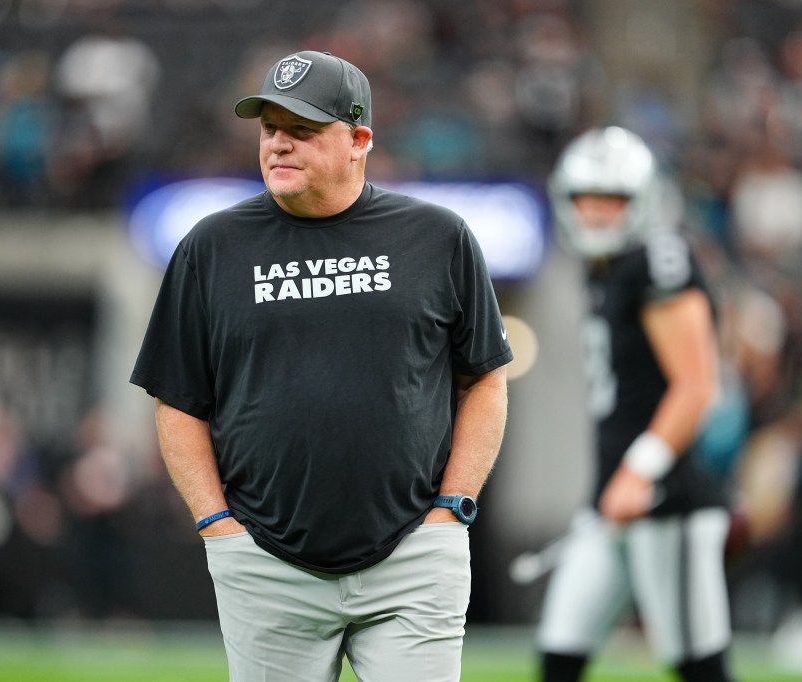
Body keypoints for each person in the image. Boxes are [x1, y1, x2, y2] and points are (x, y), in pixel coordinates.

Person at [130, 50, 512, 681]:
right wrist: (216, 525)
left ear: (359, 138)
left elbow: (485, 380)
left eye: (301, 130)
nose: (279, 145)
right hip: (264, 562)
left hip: (413, 557)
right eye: (269, 129)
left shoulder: (438, 237)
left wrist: (454, 510)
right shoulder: (210, 247)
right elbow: (177, 400)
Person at [535, 126, 737, 682]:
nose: (598, 212)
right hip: (611, 498)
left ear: (642, 199)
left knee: (700, 666)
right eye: (587, 198)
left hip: (664, 499)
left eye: (614, 199)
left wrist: (639, 470)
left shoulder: (659, 259)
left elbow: (697, 384)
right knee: (559, 656)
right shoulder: (605, 268)